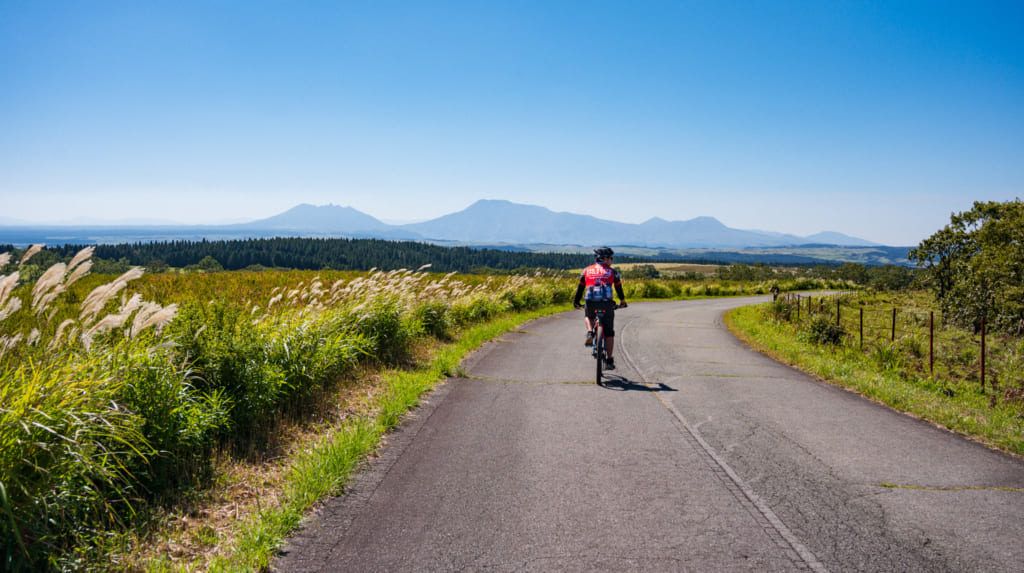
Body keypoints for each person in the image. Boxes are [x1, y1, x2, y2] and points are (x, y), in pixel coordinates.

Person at [573, 247, 627, 370]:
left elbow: (580, 288)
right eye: (611, 258)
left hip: (590, 302)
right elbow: (619, 288)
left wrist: (576, 302)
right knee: (609, 333)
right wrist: (622, 302)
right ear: (605, 258)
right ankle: (609, 360)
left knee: (588, 316)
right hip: (607, 304)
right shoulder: (613, 272)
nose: (612, 260)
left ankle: (590, 332)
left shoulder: (586, 270)